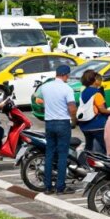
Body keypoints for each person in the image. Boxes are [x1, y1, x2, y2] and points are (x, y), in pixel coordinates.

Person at [41, 65, 77, 195]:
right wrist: (74, 120)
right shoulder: (67, 89)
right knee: (62, 156)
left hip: (49, 123)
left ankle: (47, 186)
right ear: (65, 75)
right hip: (63, 123)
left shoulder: (45, 87)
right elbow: (72, 108)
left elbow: (44, 103)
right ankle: (60, 186)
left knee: (49, 154)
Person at [77, 71, 110, 153]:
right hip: (97, 125)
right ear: (95, 81)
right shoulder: (97, 93)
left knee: (89, 147)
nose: (101, 81)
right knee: (106, 147)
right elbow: (102, 109)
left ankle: (86, 162)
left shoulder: (83, 92)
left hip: (84, 126)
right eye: (99, 79)